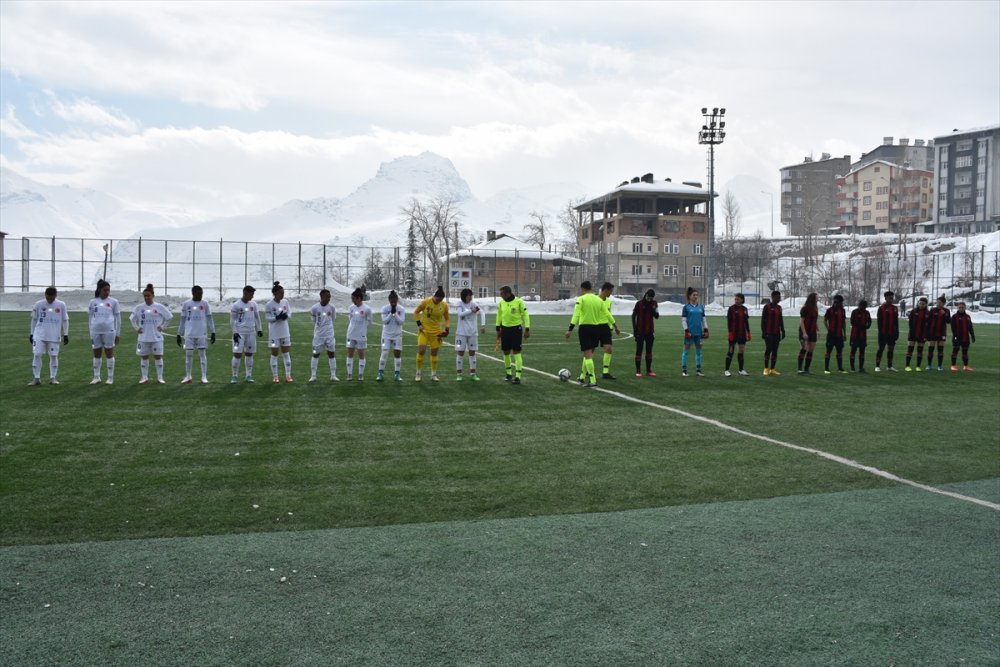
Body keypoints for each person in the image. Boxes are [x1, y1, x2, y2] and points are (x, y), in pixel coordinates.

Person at [565, 280, 610, 387]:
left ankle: (592, 380)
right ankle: (582, 377)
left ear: (583, 288)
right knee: (589, 354)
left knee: (588, 355)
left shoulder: (581, 299)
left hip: (585, 329)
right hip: (596, 328)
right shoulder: (598, 299)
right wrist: (614, 324)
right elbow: (607, 313)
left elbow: (576, 315)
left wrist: (570, 329)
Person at [129, 283, 173, 384]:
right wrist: (136, 328)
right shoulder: (139, 307)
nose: (146, 297)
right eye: (145, 296)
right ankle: (144, 377)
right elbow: (132, 319)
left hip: (156, 337)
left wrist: (163, 326)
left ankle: (160, 378)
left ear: (153, 296)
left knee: (158, 356)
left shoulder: (159, 307)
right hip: (143, 337)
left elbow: (169, 317)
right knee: (144, 357)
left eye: (148, 295)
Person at [28, 287, 69, 386]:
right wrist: (31, 333)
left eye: (51, 298)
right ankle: (36, 378)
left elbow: (65, 320)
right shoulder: (38, 304)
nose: (49, 300)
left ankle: (53, 378)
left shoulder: (61, 305)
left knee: (54, 356)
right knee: (37, 354)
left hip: (54, 335)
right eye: (48, 298)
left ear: (55, 295)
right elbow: (34, 319)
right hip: (39, 334)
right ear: (45, 295)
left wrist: (66, 334)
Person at [176, 285, 216, 384]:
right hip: (189, 333)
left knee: (202, 354)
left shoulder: (205, 304)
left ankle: (204, 377)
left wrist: (213, 332)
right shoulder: (186, 304)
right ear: (193, 293)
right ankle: (188, 376)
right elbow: (183, 319)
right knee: (188, 354)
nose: (201, 295)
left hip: (202, 333)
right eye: (199, 293)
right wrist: (179, 334)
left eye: (202, 293)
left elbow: (209, 318)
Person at [413, 286, 450, 382]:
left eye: (441, 299)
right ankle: (418, 373)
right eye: (438, 299)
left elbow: (447, 319)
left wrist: (447, 329)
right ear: (434, 296)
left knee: (434, 353)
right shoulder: (426, 302)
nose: (439, 301)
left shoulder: (444, 305)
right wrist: (419, 324)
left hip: (436, 333)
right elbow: (416, 312)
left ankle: (433, 375)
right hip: (424, 331)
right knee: (421, 350)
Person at [88, 279, 121, 384]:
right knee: (96, 353)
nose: (107, 292)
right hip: (95, 331)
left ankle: (110, 378)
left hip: (109, 331)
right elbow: (90, 318)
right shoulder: (93, 302)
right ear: (99, 290)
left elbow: (118, 319)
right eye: (105, 290)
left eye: (108, 290)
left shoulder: (113, 302)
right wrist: (90, 333)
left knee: (109, 353)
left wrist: (118, 333)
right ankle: (96, 377)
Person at [496, 285, 530, 384]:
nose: (500, 295)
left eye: (502, 293)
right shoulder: (501, 303)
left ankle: (518, 376)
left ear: (508, 293)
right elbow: (499, 315)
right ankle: (509, 373)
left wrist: (527, 328)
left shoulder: (519, 301)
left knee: (516, 352)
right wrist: (498, 328)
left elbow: (525, 315)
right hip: (505, 330)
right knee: (506, 352)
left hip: (516, 329)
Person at [230, 285, 263, 383]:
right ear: (245, 293)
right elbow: (232, 320)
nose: (252, 296)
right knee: (237, 354)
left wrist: (259, 329)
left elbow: (257, 318)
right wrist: (235, 332)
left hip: (251, 333)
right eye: (251, 294)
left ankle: (249, 375)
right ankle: (234, 376)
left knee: (249, 354)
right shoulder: (236, 305)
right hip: (240, 333)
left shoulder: (253, 304)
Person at [455, 288, 486, 381]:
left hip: (473, 333)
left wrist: (483, 325)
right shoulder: (459, 303)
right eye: (469, 295)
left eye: (471, 295)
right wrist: (471, 311)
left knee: (472, 353)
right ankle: (459, 374)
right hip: (460, 333)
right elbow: (460, 314)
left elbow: (482, 312)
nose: (470, 297)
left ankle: (473, 373)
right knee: (460, 353)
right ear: (464, 296)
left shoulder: (473, 304)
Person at [265, 281, 293, 383]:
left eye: (283, 292)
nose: (283, 294)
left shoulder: (285, 302)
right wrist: (276, 317)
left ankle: (288, 376)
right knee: (274, 354)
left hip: (285, 332)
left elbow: (290, 313)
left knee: (286, 353)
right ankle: (275, 376)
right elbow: (268, 318)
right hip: (274, 333)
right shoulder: (269, 304)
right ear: (275, 293)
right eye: (281, 293)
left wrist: (286, 316)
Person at [308, 288, 339, 382]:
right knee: (315, 354)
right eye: (327, 297)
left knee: (331, 354)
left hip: (329, 334)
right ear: (322, 297)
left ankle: (333, 375)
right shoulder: (314, 307)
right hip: (318, 335)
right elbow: (313, 319)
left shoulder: (332, 307)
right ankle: (313, 376)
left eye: (330, 297)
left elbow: (333, 318)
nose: (329, 298)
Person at [345, 288, 374, 380]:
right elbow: (350, 319)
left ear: (358, 298)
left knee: (361, 354)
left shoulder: (367, 309)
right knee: (350, 353)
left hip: (361, 335)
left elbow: (370, 322)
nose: (352, 300)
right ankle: (349, 374)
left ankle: (360, 375)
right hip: (350, 334)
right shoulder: (351, 308)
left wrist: (362, 328)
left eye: (353, 298)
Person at [377, 290, 405, 382]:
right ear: (389, 300)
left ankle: (397, 374)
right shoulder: (385, 308)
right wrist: (391, 313)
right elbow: (385, 321)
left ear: (397, 300)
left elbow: (401, 321)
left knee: (397, 354)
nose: (393, 302)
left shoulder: (401, 309)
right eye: (391, 300)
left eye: (394, 300)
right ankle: (380, 373)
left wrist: (395, 313)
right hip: (386, 335)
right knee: (384, 353)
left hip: (397, 335)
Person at [680, 287, 708, 377]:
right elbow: (683, 320)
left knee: (699, 352)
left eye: (696, 295)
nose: (696, 296)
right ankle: (684, 370)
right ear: (689, 296)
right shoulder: (686, 307)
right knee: (686, 351)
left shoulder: (701, 307)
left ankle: (698, 370)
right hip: (689, 333)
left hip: (698, 333)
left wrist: (706, 329)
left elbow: (704, 320)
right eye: (694, 295)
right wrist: (686, 331)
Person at [631, 289, 659, 377]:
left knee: (649, 350)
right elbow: (633, 316)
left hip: (650, 331)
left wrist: (652, 310)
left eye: (650, 298)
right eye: (647, 297)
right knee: (639, 349)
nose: (648, 299)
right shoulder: (639, 304)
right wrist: (634, 330)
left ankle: (648, 370)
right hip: (640, 330)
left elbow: (657, 316)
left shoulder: (654, 304)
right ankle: (638, 371)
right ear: (645, 295)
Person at [597, 282, 621, 379]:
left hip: (606, 328)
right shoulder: (595, 300)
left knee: (608, 349)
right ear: (605, 290)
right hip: (595, 327)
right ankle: (585, 372)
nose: (611, 293)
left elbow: (608, 314)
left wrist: (612, 327)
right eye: (610, 291)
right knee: (590, 350)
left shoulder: (608, 301)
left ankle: (605, 372)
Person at [724, 292, 751, 377]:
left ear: (742, 300)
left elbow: (746, 322)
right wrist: (730, 332)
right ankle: (726, 370)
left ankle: (741, 370)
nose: (736, 300)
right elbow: (729, 322)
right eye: (735, 299)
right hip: (733, 333)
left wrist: (748, 332)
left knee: (741, 351)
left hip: (742, 333)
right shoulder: (731, 309)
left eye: (738, 299)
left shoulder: (745, 309)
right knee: (731, 351)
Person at [761, 290, 786, 376]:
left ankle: (772, 369)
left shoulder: (779, 308)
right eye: (777, 297)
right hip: (768, 332)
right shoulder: (767, 307)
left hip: (776, 333)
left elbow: (781, 320)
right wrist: (764, 332)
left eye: (779, 297)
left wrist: (783, 330)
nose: (778, 299)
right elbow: (763, 321)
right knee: (769, 349)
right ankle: (765, 368)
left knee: (775, 351)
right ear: (772, 297)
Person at [874, 290, 899, 372]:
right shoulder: (881, 308)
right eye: (889, 298)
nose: (891, 300)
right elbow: (879, 322)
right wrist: (880, 332)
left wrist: (897, 332)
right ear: (885, 298)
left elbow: (896, 321)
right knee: (881, 349)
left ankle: (889, 366)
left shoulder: (895, 308)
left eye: (892, 298)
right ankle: (877, 366)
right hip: (883, 333)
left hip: (892, 333)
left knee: (891, 349)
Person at [822, 294, 847, 374]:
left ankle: (840, 368)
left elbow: (843, 323)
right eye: (835, 301)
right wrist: (828, 329)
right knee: (828, 351)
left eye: (838, 302)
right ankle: (826, 368)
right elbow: (825, 320)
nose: (836, 303)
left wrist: (845, 334)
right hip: (831, 335)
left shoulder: (842, 311)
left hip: (839, 335)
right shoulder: (830, 310)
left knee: (839, 351)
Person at [795, 293, 820, 374]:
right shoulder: (805, 308)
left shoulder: (815, 308)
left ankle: (806, 369)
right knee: (804, 349)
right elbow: (801, 322)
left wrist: (818, 330)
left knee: (810, 350)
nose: (817, 299)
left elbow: (815, 321)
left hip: (812, 332)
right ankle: (799, 369)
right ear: (812, 298)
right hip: (804, 331)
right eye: (816, 298)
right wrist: (804, 333)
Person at [903, 296, 929, 372]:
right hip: (913, 333)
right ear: (918, 303)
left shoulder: (928, 313)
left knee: (920, 350)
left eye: (923, 304)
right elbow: (910, 322)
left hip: (922, 334)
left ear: (926, 304)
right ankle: (907, 366)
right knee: (910, 349)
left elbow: (929, 325)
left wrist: (927, 335)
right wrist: (911, 331)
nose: (921, 305)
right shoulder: (914, 311)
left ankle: (918, 366)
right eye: (920, 303)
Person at [925, 296, 951, 371]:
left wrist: (945, 314)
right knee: (931, 349)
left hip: (942, 333)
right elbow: (928, 322)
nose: (938, 304)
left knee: (940, 350)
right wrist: (927, 333)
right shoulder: (932, 310)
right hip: (932, 332)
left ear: (943, 303)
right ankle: (929, 365)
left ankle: (939, 366)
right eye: (937, 302)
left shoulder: (946, 311)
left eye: (940, 302)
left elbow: (948, 321)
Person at [949, 302, 975, 371]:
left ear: (965, 308)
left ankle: (966, 366)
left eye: (962, 307)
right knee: (955, 351)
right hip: (957, 337)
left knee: (965, 352)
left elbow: (970, 327)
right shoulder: (954, 317)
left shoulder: (968, 317)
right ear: (957, 308)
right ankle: (953, 366)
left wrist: (972, 335)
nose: (961, 308)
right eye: (959, 307)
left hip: (966, 337)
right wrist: (955, 336)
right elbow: (953, 328)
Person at [849, 299, 872, 372]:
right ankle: (852, 368)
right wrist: (862, 326)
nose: (863, 307)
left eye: (864, 306)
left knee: (862, 351)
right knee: (853, 351)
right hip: (855, 335)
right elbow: (852, 322)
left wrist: (868, 326)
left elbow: (869, 321)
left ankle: (861, 367)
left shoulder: (867, 313)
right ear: (859, 305)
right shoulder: (855, 312)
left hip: (863, 335)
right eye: (862, 306)